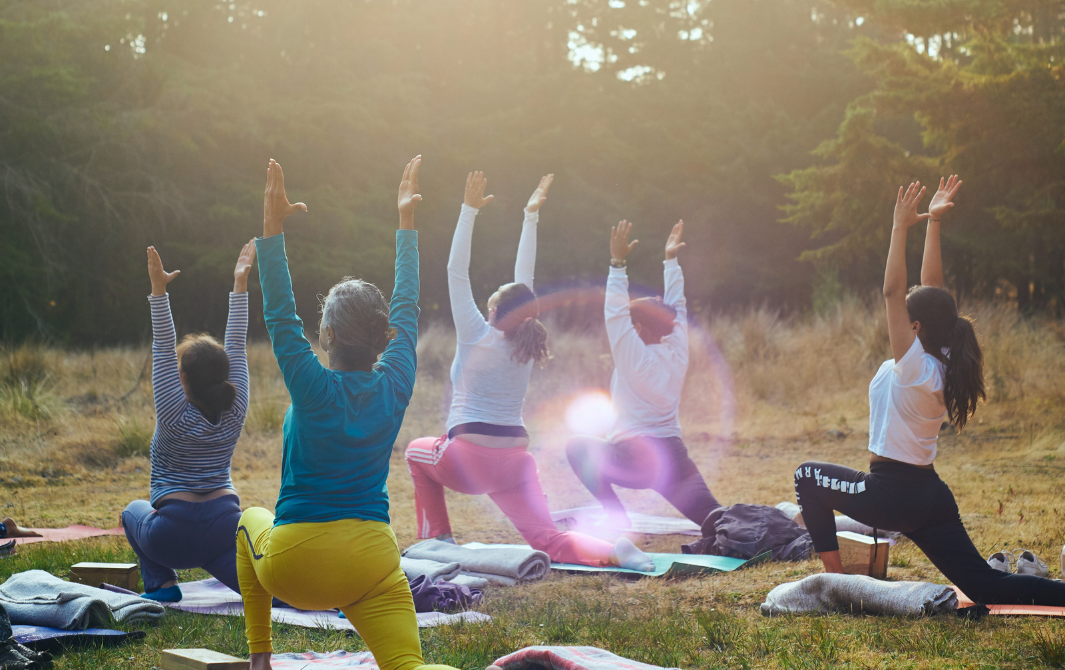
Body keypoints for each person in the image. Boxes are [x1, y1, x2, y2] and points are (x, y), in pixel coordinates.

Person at [793, 176, 1065, 605]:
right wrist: (933, 223)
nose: (899, 318)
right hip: (928, 497)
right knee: (986, 586)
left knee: (805, 477)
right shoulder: (942, 357)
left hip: (890, 495)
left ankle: (838, 585)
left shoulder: (915, 366)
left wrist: (899, 227)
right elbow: (932, 290)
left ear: (915, 326)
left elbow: (891, 291)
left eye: (906, 317)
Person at [236, 157, 458, 670]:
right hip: (372, 564)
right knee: (409, 666)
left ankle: (260, 657)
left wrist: (272, 228)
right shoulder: (395, 383)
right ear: (382, 337)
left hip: (295, 567)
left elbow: (280, 315)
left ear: (328, 335)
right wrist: (406, 224)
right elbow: (406, 306)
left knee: (248, 521)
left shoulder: (311, 386)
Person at [404, 172, 654, 572]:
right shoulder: (525, 343)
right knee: (547, 538)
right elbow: (526, 282)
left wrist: (468, 210)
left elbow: (456, 271)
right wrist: (530, 216)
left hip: (466, 459)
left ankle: (439, 540)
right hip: (515, 461)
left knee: (415, 453)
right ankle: (616, 551)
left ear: (492, 309)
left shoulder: (476, 333)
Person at [121, 239, 255, 602]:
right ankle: (325, 596)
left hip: (173, 536)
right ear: (225, 375)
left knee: (131, 512)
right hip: (226, 528)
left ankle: (163, 586)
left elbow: (163, 346)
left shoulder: (172, 413)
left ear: (181, 378)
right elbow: (237, 344)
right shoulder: (236, 407)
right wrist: (240, 285)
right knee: (267, 591)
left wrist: (158, 290)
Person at [566, 220, 721, 529]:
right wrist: (670, 261)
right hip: (673, 460)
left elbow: (614, 314)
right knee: (719, 520)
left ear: (637, 328)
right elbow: (678, 307)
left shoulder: (632, 357)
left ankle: (617, 518)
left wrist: (617, 263)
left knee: (576, 447)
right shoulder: (677, 351)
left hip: (633, 460)